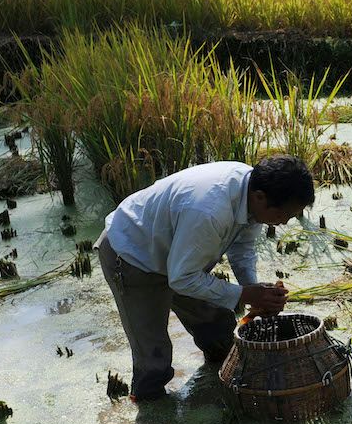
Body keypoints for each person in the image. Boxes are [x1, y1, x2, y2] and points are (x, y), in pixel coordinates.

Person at [97, 155, 314, 402]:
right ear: (260, 197)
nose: (283, 221)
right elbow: (182, 279)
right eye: (284, 214)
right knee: (154, 361)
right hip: (133, 255)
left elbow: (242, 247)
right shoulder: (210, 210)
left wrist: (253, 290)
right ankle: (150, 412)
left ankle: (221, 385)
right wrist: (245, 294)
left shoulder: (253, 192)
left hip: (179, 257)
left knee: (218, 327)